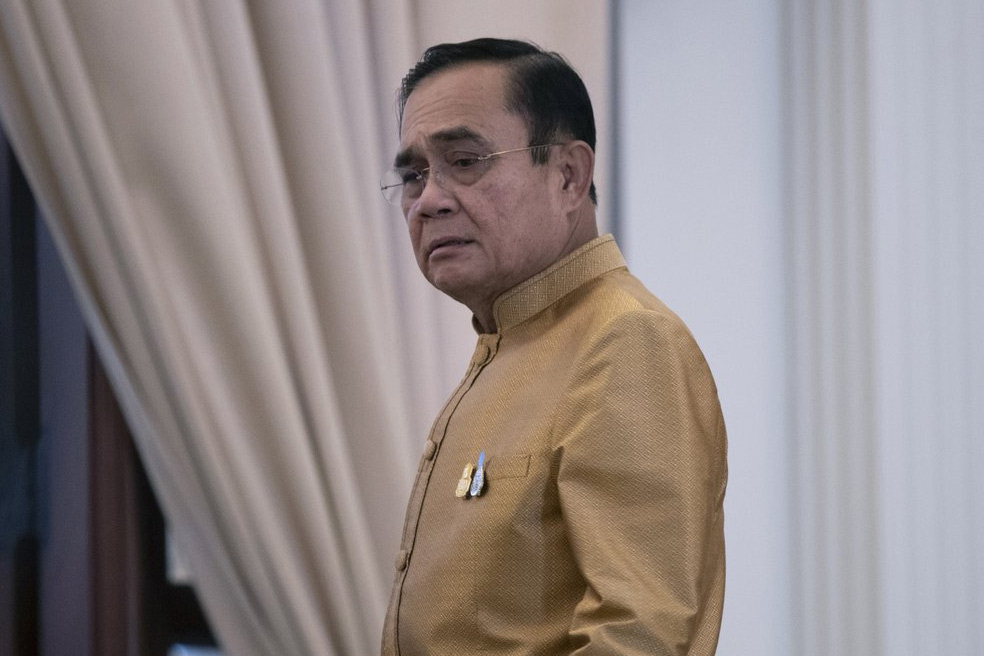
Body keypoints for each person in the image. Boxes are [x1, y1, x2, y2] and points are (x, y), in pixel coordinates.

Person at [379, 38, 727, 656]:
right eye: (413, 175)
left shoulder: (626, 342)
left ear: (568, 176)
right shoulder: (507, 343)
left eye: (465, 160)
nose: (428, 200)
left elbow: (637, 636)